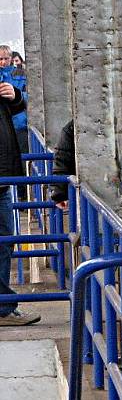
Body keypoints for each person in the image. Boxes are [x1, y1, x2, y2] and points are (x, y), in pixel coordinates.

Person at [0, 75, 39, 325]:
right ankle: (3, 308)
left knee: (4, 243)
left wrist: (15, 96)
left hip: (2, 177)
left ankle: (3, 308)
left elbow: (16, 107)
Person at [0, 46, 28, 155]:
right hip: (3, 125)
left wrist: (17, 96)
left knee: (22, 159)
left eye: (6, 59)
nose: (3, 62)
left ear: (11, 58)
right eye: (0, 59)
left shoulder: (22, 74)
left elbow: (33, 98)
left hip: (19, 125)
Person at [50, 120, 75, 210]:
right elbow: (62, 158)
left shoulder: (73, 127)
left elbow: (62, 158)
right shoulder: (72, 128)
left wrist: (58, 194)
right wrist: (59, 195)